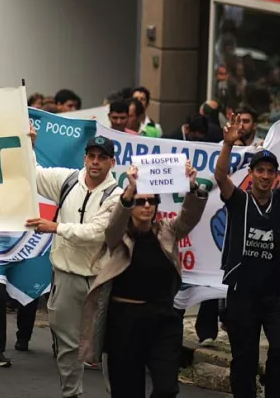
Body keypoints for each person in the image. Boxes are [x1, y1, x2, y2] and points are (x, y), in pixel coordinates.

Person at [80, 162, 206, 398]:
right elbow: (113, 228)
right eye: (140, 201)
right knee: (127, 391)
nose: (147, 205)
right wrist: (130, 190)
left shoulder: (166, 231)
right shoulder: (119, 237)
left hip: (163, 320)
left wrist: (192, 188)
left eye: (152, 201)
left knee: (167, 388)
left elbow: (189, 217)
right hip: (125, 322)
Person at [215, 115, 280, 398]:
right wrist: (227, 144)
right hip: (242, 293)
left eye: (271, 171)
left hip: (277, 294)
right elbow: (221, 176)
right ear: (252, 173)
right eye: (260, 170)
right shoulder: (239, 200)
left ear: (276, 176)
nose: (266, 176)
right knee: (244, 358)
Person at [26, 132, 120, 397]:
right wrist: (30, 145)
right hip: (66, 275)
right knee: (67, 345)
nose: (95, 162)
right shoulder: (68, 180)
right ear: (84, 158)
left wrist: (55, 227)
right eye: (91, 156)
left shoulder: (117, 195)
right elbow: (32, 174)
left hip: (100, 280)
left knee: (107, 346)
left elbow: (96, 233)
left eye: (102, 158)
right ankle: (71, 394)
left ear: (112, 163)